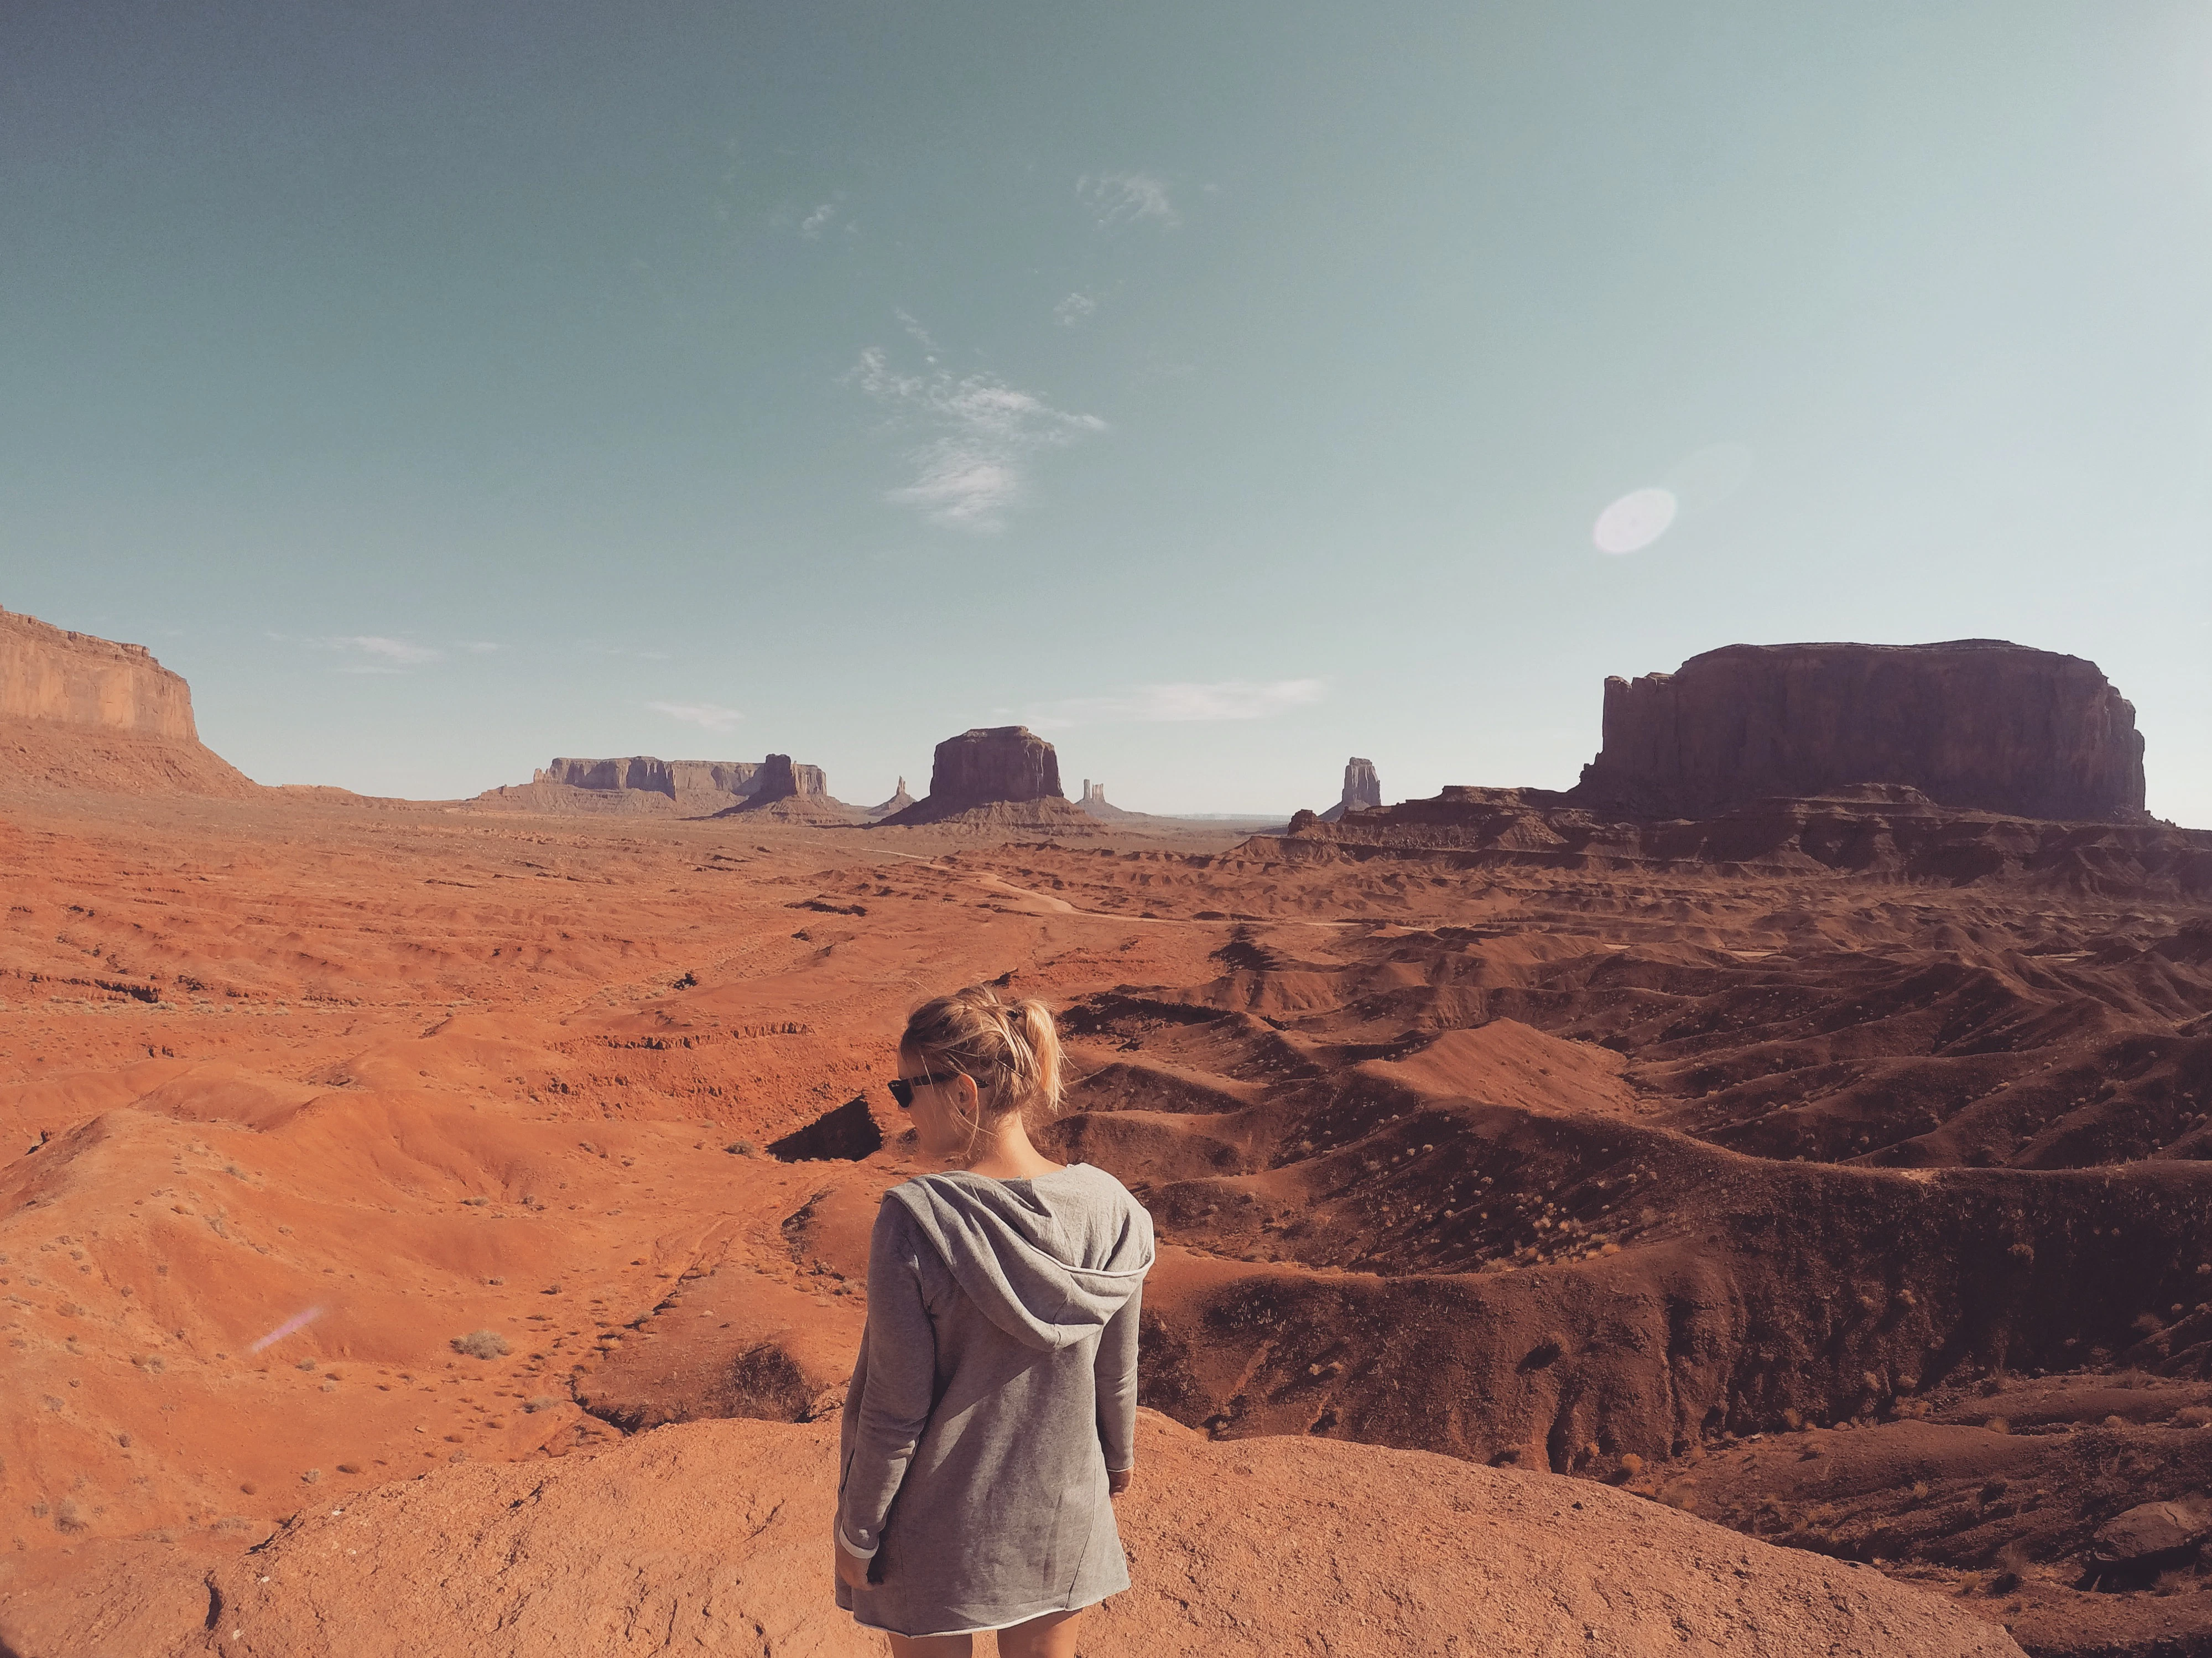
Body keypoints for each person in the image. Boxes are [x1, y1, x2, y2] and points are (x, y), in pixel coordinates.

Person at [832, 986, 1155, 1657]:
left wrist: (858, 1530)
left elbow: (896, 1408)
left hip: (932, 1526)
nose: (901, 1107)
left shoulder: (919, 1220)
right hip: (1061, 1515)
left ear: (964, 1094)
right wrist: (1115, 1464)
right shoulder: (1113, 1208)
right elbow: (1115, 1372)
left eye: (906, 1088)